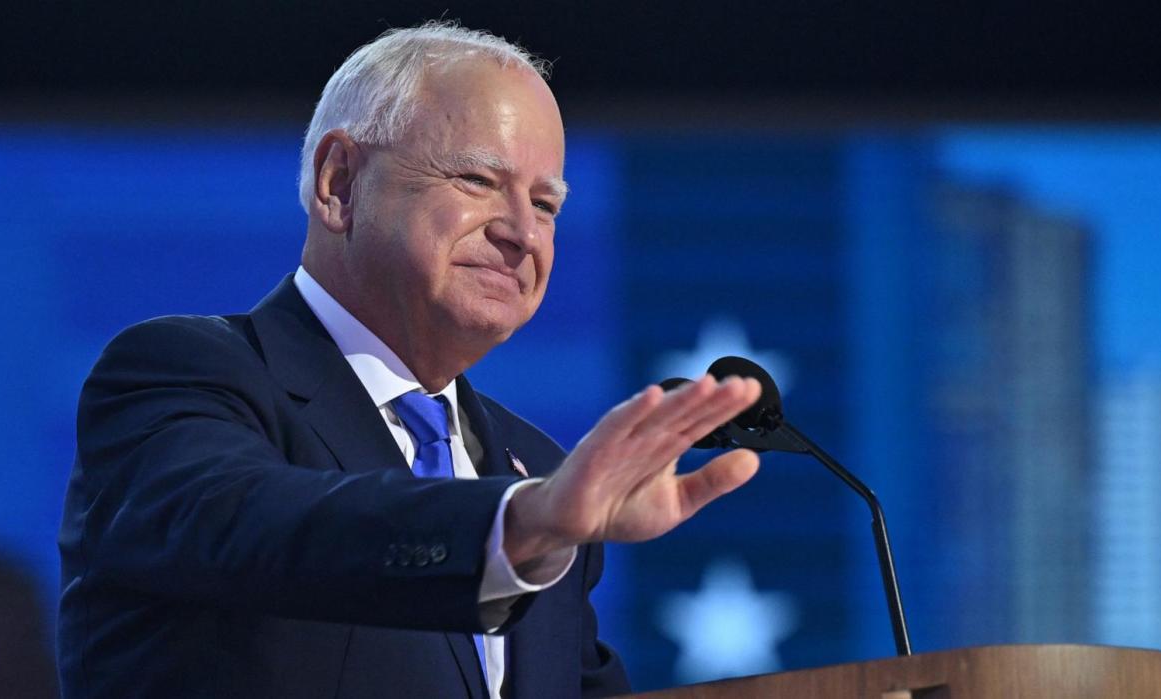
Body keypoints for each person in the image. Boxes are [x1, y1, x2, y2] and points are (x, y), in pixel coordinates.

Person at [58, 21, 762, 698]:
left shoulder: (535, 465)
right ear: (339, 183)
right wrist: (517, 524)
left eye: (546, 204)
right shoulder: (183, 374)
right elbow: (262, 526)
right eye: (478, 181)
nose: (522, 232)